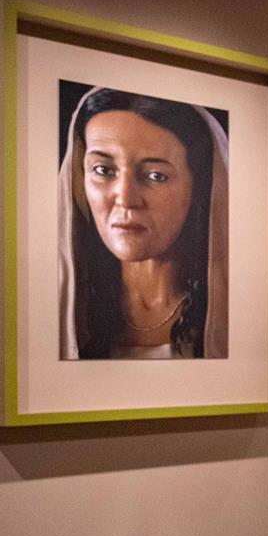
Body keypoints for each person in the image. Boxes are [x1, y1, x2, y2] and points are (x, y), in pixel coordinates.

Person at [59, 87, 229, 360]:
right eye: (103, 170)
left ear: (199, 186)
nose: (126, 199)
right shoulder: (57, 311)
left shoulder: (236, 314)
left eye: (155, 175)